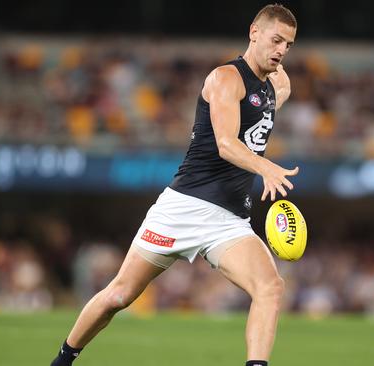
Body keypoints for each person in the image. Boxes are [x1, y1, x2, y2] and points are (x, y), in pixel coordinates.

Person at [51, 4, 298, 366]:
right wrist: (266, 168)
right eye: (276, 39)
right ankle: (62, 360)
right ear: (253, 32)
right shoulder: (225, 78)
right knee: (119, 295)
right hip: (184, 208)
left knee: (270, 287)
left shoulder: (279, 84)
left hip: (228, 222)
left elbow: (263, 105)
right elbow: (226, 144)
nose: (281, 50)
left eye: (289, 45)